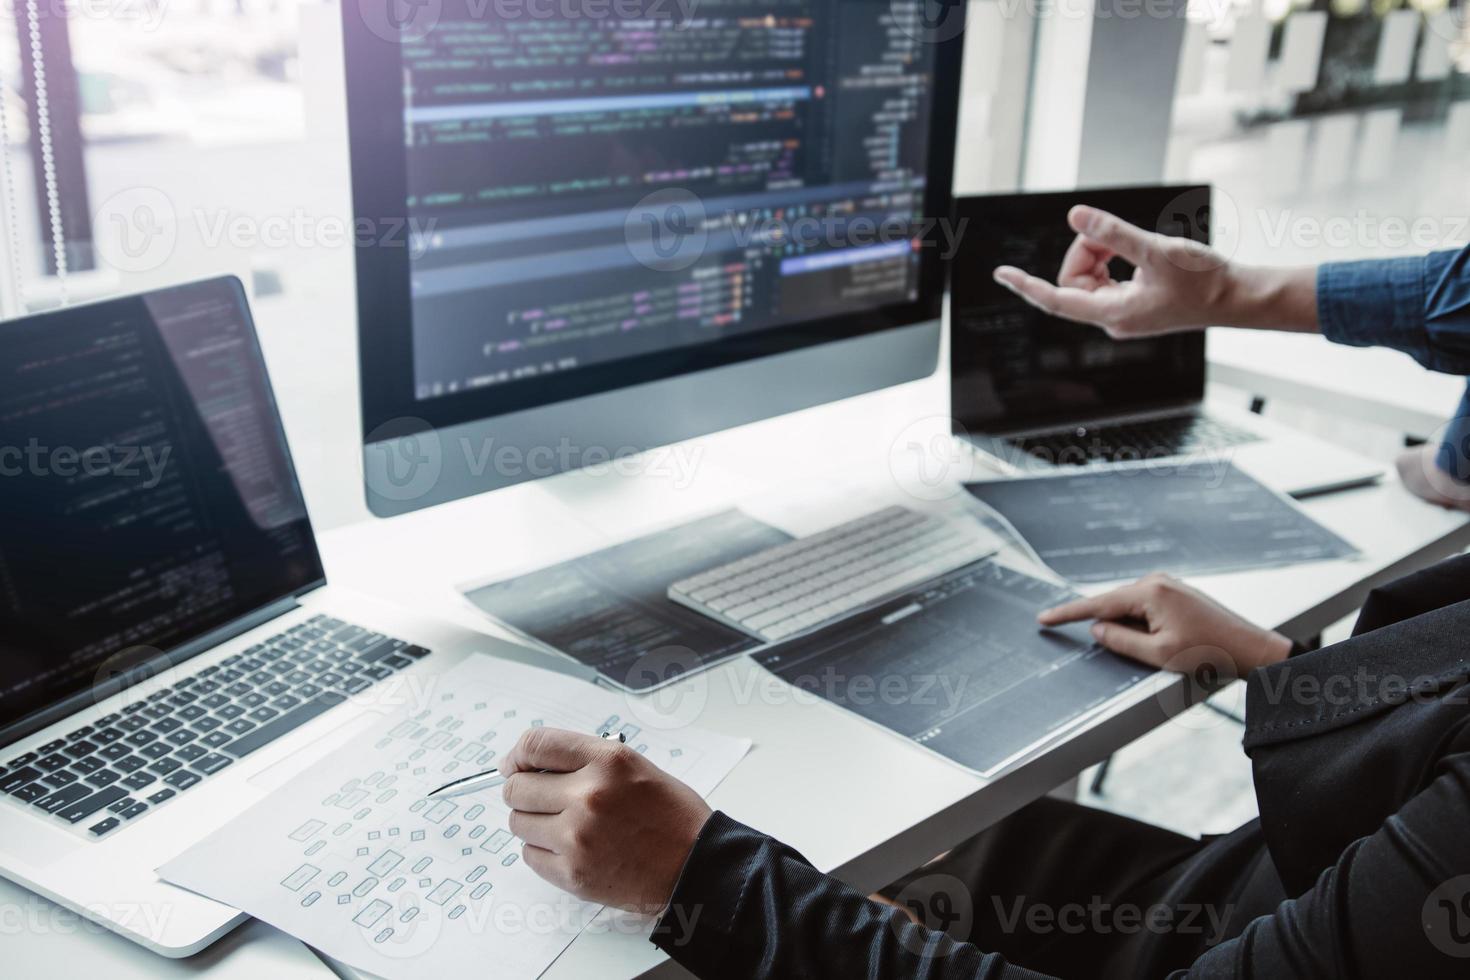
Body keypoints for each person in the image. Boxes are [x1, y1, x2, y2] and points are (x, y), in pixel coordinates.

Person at [495, 211, 1470, 977]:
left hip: (1214, 938)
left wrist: (704, 878)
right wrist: (1291, 672)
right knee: (927, 854)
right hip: (1260, 886)